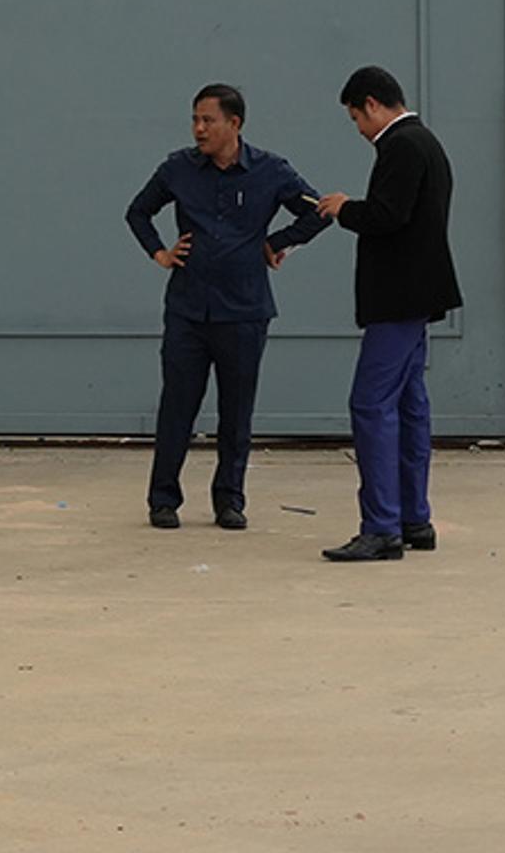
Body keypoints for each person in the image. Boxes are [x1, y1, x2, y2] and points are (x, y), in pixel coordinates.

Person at [123, 83, 329, 531]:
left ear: (234, 124)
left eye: (208, 120)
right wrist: (160, 253)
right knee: (177, 406)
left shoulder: (271, 171)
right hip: (188, 310)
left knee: (237, 411)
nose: (199, 129)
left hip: (244, 312)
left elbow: (318, 211)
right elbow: (138, 212)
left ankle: (229, 500)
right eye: (195, 120)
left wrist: (277, 243)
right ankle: (163, 499)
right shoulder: (178, 168)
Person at [311, 66, 459, 563]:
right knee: (410, 405)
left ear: (372, 104)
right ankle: (414, 518)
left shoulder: (400, 146)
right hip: (418, 297)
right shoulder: (427, 143)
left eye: (356, 117)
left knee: (371, 404)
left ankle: (381, 527)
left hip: (396, 298)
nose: (358, 129)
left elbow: (387, 215)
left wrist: (343, 208)